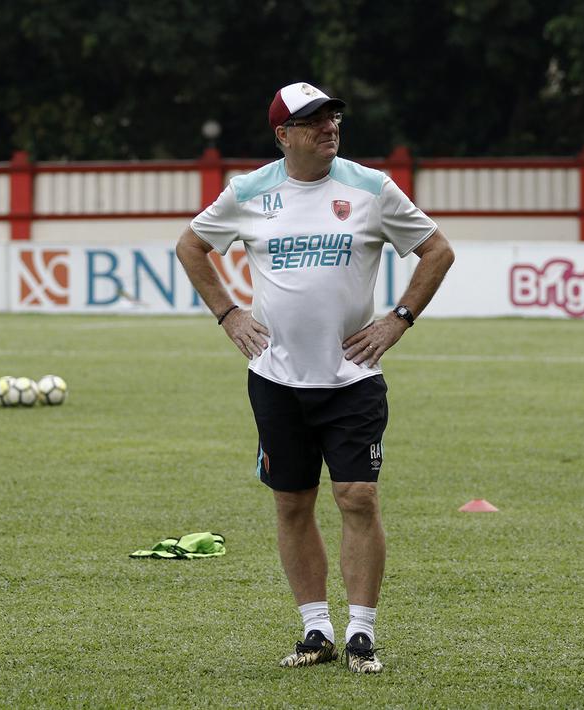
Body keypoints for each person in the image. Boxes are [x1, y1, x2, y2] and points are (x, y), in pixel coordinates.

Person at [175, 82, 454, 674]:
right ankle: (315, 629)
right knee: (293, 506)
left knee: (358, 497)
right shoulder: (250, 191)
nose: (329, 126)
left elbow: (437, 251)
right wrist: (229, 314)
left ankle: (361, 631)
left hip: (352, 380)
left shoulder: (371, 187)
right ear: (283, 135)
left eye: (333, 116)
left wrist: (398, 320)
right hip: (275, 381)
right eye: (313, 121)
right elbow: (191, 246)